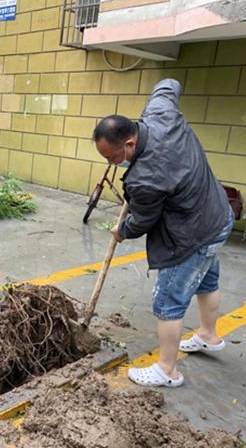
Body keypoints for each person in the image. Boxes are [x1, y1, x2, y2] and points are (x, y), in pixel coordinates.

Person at [93, 79, 234, 388]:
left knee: (169, 300)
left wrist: (121, 230)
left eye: (112, 157)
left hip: (191, 235)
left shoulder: (146, 177)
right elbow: (169, 85)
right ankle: (208, 335)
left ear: (130, 144)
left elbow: (143, 220)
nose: (111, 163)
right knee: (207, 280)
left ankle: (167, 371)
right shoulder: (161, 113)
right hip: (218, 216)